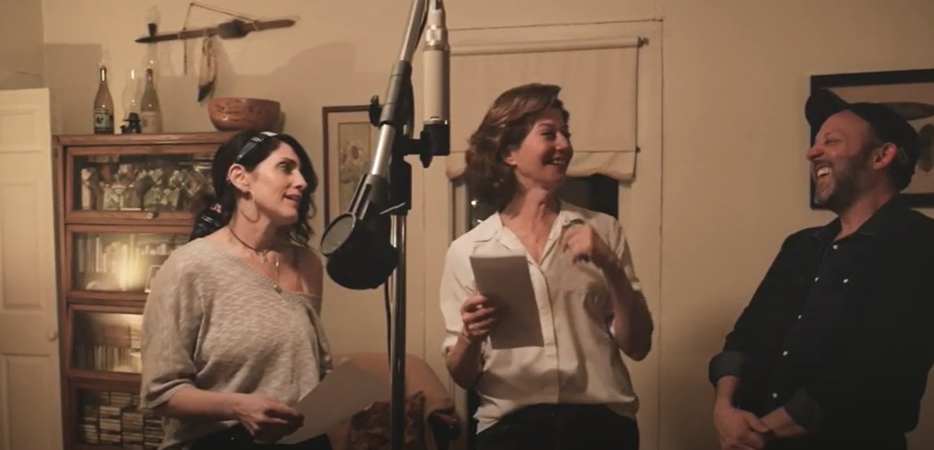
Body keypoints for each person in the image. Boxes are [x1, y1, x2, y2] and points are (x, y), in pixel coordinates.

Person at [708, 88, 934, 450]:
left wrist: (759, 432)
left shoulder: (919, 243)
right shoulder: (800, 246)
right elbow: (744, 336)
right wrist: (724, 409)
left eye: (831, 141)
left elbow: (875, 366)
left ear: (882, 155)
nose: (812, 153)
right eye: (815, 143)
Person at [438, 83, 654, 450]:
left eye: (566, 134)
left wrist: (610, 264)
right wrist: (471, 335)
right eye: (549, 134)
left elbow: (638, 345)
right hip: (509, 431)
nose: (564, 146)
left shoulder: (604, 231)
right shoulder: (467, 250)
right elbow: (462, 376)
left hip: (601, 427)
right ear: (509, 152)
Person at [139, 129, 334, 450]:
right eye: (286, 168)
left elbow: (303, 365)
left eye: (302, 173)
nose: (301, 182)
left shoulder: (306, 263)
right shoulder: (190, 266)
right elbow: (160, 392)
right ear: (241, 178)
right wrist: (239, 407)